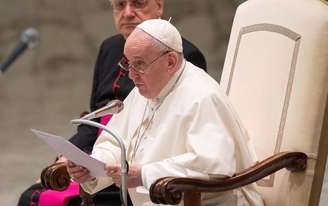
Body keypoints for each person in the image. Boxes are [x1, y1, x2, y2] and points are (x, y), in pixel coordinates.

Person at [17, 0, 206, 205]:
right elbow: (96, 116)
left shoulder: (182, 56)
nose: (127, 13)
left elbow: (165, 136)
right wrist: (70, 157)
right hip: (104, 154)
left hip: (138, 171)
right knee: (33, 196)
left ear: (159, 5)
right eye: (119, 5)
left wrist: (133, 171)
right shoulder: (110, 47)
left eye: (138, 3)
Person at [67, 19, 264, 206]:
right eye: (128, 64)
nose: (131, 74)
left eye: (139, 64)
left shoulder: (202, 96)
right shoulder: (142, 91)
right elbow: (116, 142)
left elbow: (213, 164)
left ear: (170, 61)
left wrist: (144, 174)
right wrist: (92, 167)